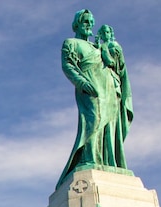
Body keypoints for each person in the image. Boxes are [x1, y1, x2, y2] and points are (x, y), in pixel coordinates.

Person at [57, 9, 111, 187]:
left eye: (91, 22)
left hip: (108, 90)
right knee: (93, 120)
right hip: (89, 86)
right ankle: (88, 158)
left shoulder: (98, 46)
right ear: (77, 24)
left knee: (108, 125)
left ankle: (105, 160)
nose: (90, 25)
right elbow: (68, 65)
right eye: (86, 21)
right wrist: (82, 83)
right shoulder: (71, 43)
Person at [95, 24, 132, 169]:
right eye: (103, 32)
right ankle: (104, 157)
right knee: (102, 122)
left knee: (111, 122)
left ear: (111, 33)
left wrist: (102, 49)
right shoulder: (101, 47)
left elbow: (114, 63)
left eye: (107, 31)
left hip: (113, 85)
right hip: (103, 86)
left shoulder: (113, 46)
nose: (106, 34)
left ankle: (110, 159)